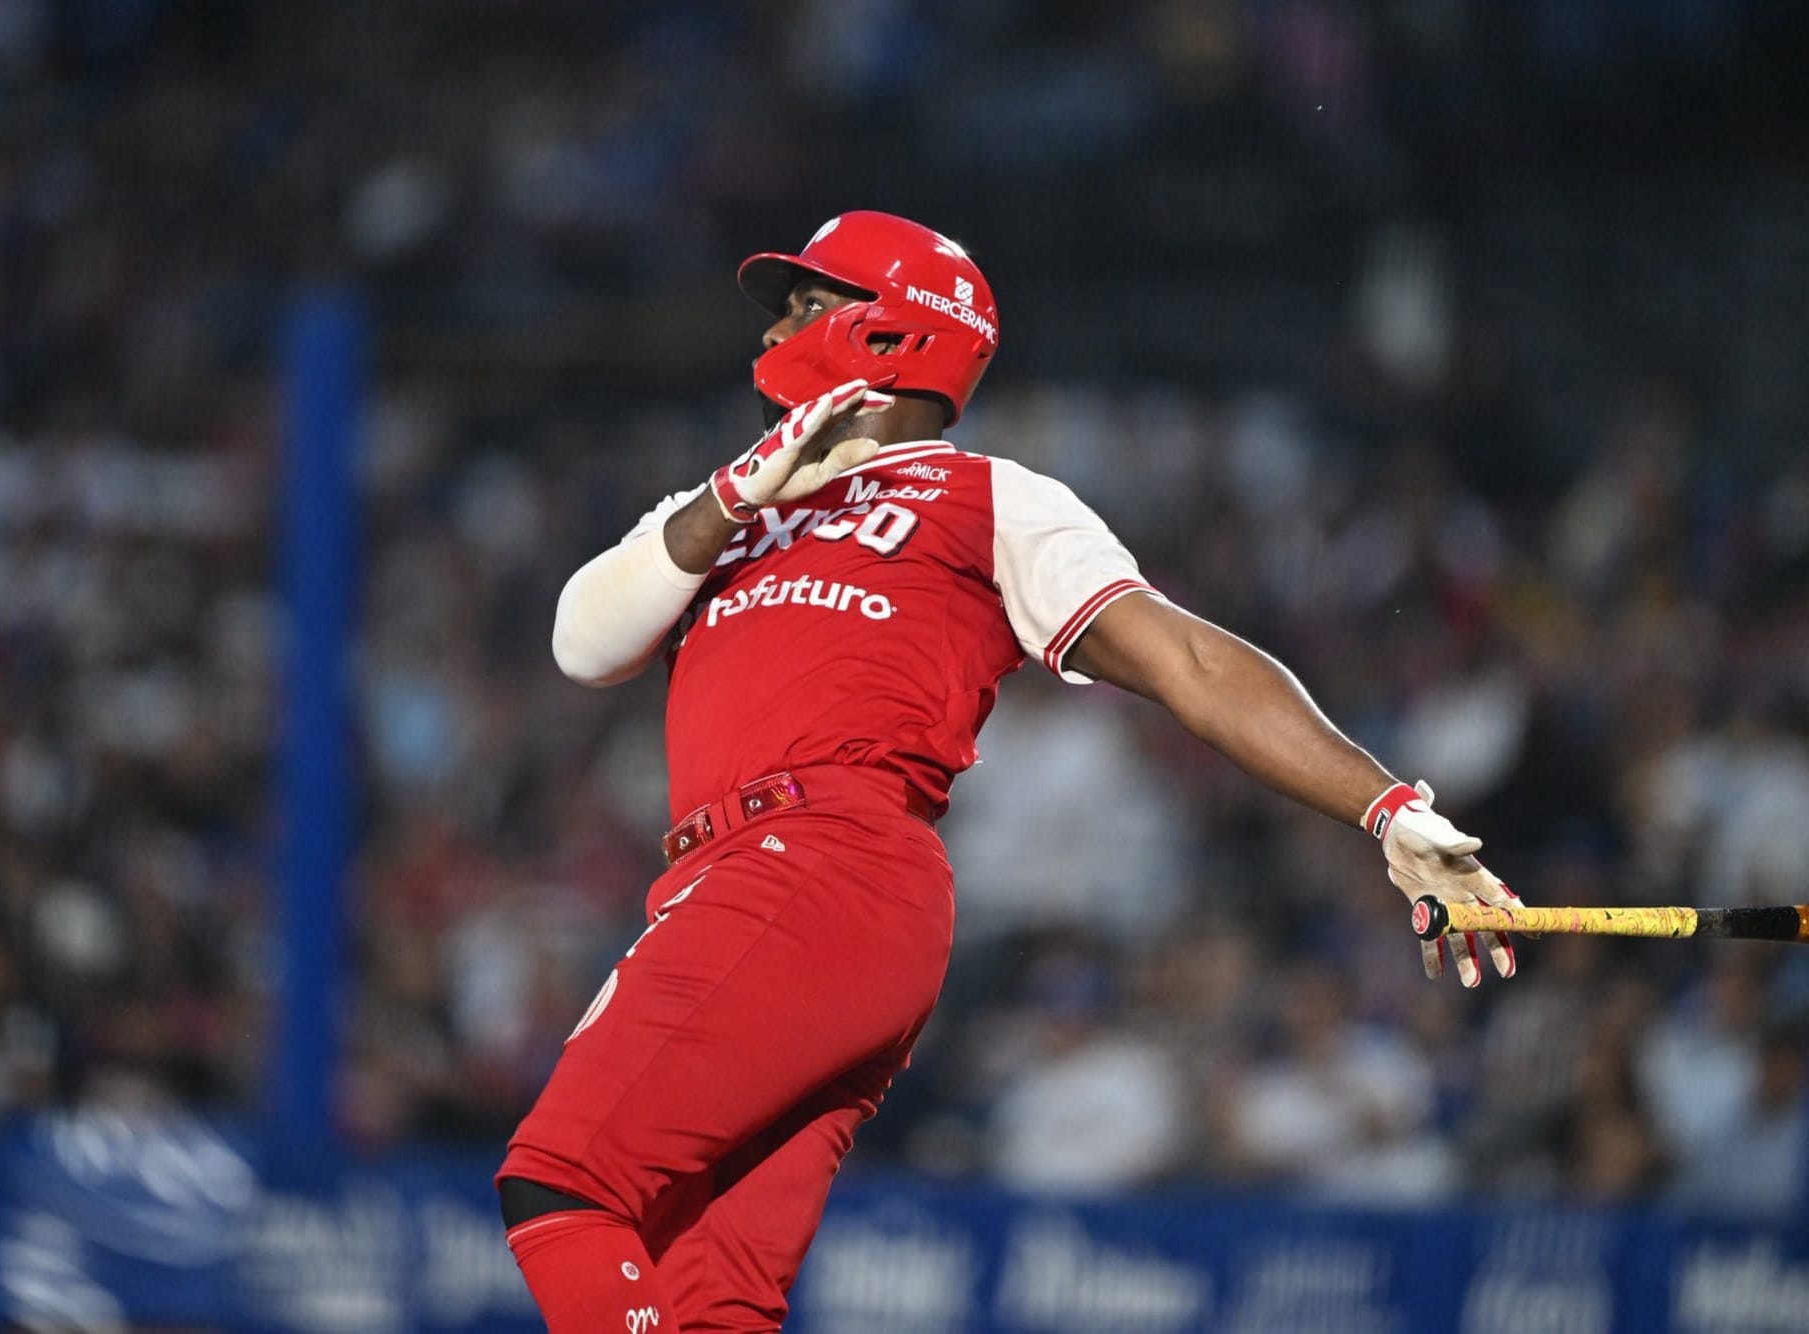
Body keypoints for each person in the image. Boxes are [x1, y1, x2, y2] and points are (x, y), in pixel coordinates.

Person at [494, 210, 1526, 1333]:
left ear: (892, 337)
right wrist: (740, 493)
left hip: (819, 864)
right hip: (748, 882)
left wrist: (1382, 806)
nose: (780, 326)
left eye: (808, 300)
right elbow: (580, 643)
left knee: (564, 1178)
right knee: (705, 1296)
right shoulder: (726, 510)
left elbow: (1183, 656)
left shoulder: (992, 496)